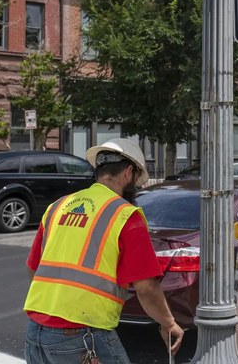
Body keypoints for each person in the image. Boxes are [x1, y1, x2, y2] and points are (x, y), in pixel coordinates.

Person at [23, 138, 184, 363]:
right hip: (82, 334)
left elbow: (34, 269)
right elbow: (146, 288)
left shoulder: (57, 206)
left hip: (36, 330)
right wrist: (168, 323)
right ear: (128, 172)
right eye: (137, 179)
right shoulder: (126, 215)